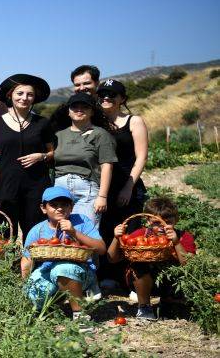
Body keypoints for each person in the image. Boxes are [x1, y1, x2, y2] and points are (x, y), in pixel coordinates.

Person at [22, 187, 106, 322]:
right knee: (33, 294)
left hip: (80, 271)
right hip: (47, 272)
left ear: (71, 207)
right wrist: (25, 284)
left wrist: (74, 232)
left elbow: (102, 249)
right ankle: (59, 300)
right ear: (43, 208)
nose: (59, 209)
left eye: (64, 205)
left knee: (62, 268)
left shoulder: (81, 221)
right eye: (54, 205)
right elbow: (27, 260)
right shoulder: (37, 230)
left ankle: (80, 315)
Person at [0, 74, 54, 241]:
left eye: (29, 94)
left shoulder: (43, 123)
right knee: (3, 235)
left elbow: (54, 153)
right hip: (6, 185)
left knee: (35, 234)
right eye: (20, 93)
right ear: (10, 95)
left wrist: (42, 156)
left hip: (36, 187)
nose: (24, 98)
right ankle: (7, 267)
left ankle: (32, 267)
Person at [107, 197, 196, 321]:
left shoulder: (184, 237)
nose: (162, 227)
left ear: (176, 219)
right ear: (148, 221)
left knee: (172, 313)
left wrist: (176, 242)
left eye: (167, 222)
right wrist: (116, 238)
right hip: (144, 280)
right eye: (157, 223)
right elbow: (112, 258)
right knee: (138, 265)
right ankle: (144, 306)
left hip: (172, 283)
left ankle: (168, 301)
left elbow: (189, 265)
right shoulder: (140, 235)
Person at [97, 79, 149, 288]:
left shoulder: (133, 121)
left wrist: (129, 186)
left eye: (112, 94)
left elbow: (141, 157)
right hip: (103, 184)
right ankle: (109, 277)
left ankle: (132, 280)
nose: (107, 98)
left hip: (128, 182)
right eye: (103, 94)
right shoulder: (96, 122)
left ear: (122, 99)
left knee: (131, 231)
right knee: (107, 229)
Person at [53, 93, 117, 229]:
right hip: (60, 189)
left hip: (87, 190)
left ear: (92, 111)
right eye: (75, 106)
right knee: (59, 233)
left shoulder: (100, 134)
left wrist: (103, 196)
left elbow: (107, 166)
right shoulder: (58, 135)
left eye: (85, 107)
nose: (79, 110)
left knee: (84, 233)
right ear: (68, 111)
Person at [50, 65, 101, 133]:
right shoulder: (63, 111)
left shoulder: (106, 107)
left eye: (87, 83)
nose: (82, 88)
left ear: (97, 83)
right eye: (77, 85)